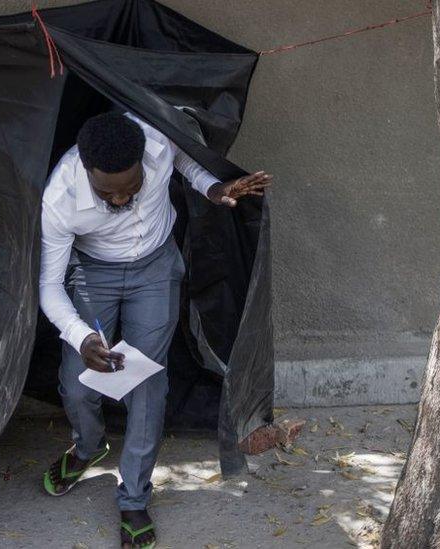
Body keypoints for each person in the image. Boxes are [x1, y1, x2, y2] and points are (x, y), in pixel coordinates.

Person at [39, 111, 272, 548]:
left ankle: (133, 498)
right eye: (110, 194)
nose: (124, 200)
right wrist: (82, 336)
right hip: (94, 272)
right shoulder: (60, 196)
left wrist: (213, 187)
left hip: (155, 268)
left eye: (133, 187)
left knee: (146, 383)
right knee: (77, 384)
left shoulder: (156, 138)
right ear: (87, 172)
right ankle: (88, 448)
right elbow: (49, 287)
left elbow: (185, 159)